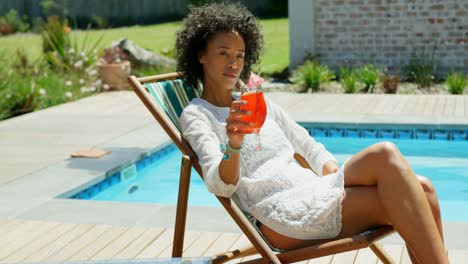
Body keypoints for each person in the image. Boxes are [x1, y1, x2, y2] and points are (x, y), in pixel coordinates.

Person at [176, 3, 448, 263]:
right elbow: (219, 185)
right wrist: (233, 143)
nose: (233, 63)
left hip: (310, 191)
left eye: (240, 55)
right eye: (223, 53)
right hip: (281, 215)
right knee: (389, 158)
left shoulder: (257, 102)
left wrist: (332, 171)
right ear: (201, 55)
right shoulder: (198, 116)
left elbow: (305, 144)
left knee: (424, 188)